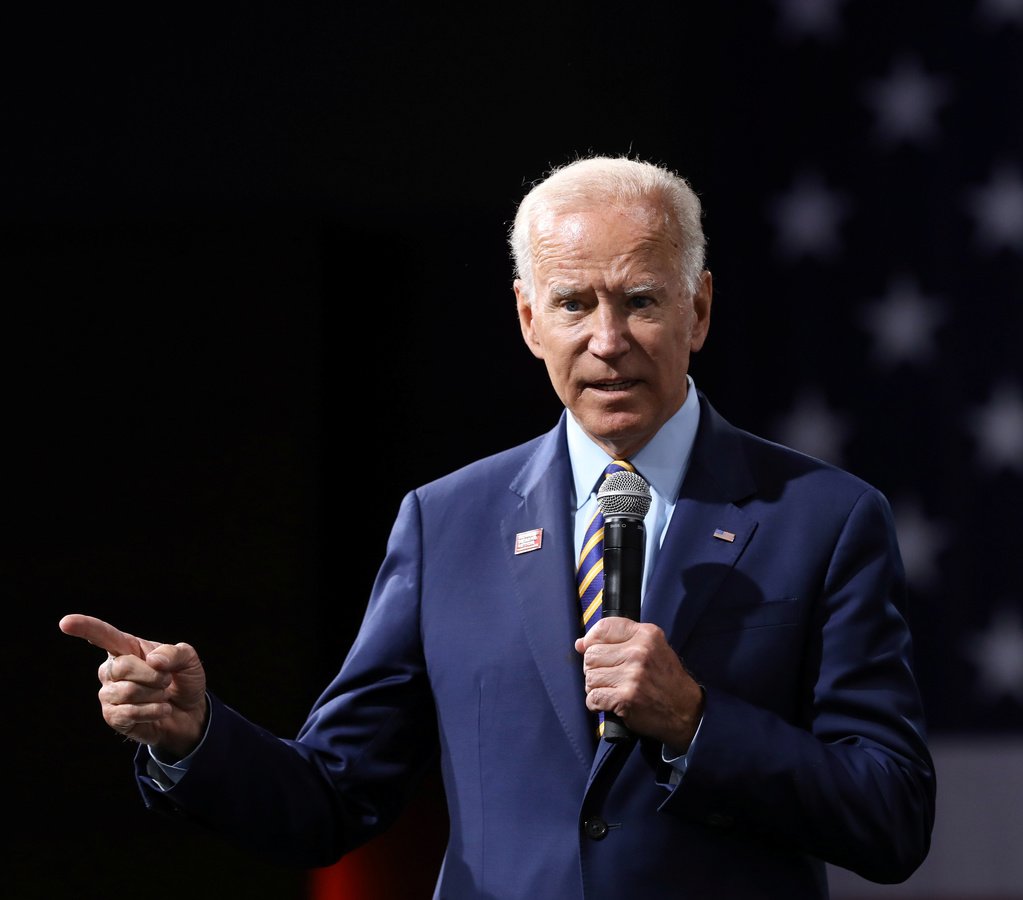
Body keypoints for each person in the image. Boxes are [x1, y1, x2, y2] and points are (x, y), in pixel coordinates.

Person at [60, 154, 936, 899]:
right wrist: (195, 735)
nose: (607, 339)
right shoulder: (448, 524)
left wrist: (698, 721)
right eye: (572, 305)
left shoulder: (824, 519)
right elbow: (333, 797)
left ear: (698, 309)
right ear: (527, 319)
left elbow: (890, 815)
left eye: (641, 300)